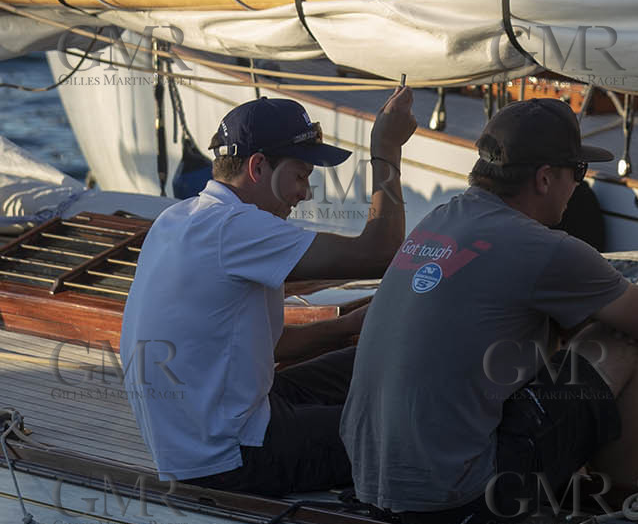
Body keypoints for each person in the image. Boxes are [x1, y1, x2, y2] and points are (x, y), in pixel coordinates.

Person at [340, 98, 638, 524]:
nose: (577, 186)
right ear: (545, 178)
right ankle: (624, 512)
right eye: (577, 173)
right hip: (459, 501)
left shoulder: (440, 220)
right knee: (624, 343)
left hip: (373, 487)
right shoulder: (543, 248)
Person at [120, 89, 417, 495]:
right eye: (301, 176)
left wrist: (349, 325)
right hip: (231, 459)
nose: (305, 193)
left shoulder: (177, 219)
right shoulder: (233, 227)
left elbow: (247, 350)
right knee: (411, 428)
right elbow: (380, 253)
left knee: (373, 359)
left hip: (208, 436)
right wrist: (386, 148)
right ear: (258, 167)